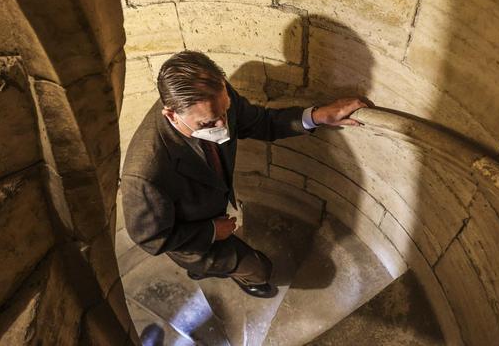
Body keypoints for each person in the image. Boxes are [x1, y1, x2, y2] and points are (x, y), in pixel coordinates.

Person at [121, 50, 367, 298]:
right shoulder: (145, 174)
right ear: (171, 114)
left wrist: (316, 116)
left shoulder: (215, 94)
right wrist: (212, 232)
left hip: (207, 209)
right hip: (190, 239)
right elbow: (152, 238)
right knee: (260, 270)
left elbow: (258, 121)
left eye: (225, 112)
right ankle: (233, 277)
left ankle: (202, 271)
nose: (223, 127)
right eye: (207, 124)